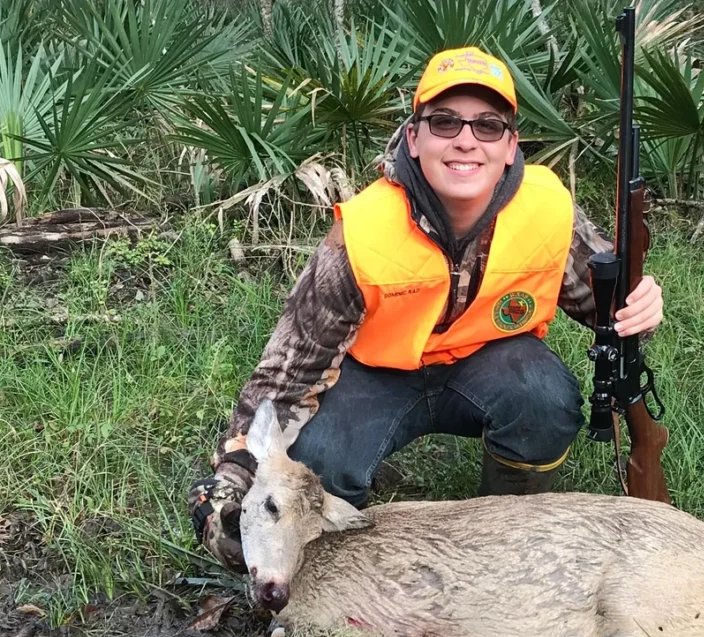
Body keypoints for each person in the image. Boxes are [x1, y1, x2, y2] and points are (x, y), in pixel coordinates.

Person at [188, 46, 664, 573]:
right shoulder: (363, 233)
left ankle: (501, 536)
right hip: (376, 378)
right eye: (444, 122)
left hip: (491, 364)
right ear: (414, 138)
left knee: (545, 399)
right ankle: (339, 567)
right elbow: (285, 375)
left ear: (510, 146)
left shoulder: (548, 209)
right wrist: (232, 481)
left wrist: (639, 306)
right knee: (313, 465)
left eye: (488, 126)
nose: (466, 140)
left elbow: (608, 310)